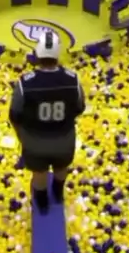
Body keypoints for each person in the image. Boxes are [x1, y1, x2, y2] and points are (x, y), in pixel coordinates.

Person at [9, 30, 86, 213]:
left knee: (39, 174)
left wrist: (21, 137)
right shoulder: (73, 79)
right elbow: (80, 107)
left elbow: (14, 115)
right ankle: (58, 194)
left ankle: (42, 204)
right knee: (61, 168)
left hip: (35, 141)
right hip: (64, 138)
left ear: (37, 53)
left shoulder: (25, 83)